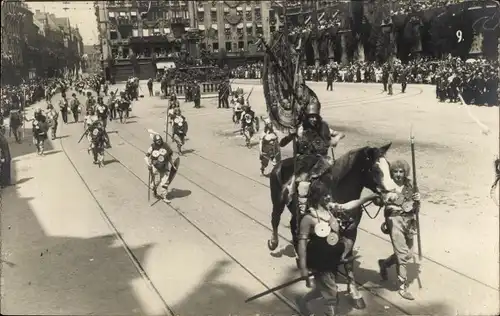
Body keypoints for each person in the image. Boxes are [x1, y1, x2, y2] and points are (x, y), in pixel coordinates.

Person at [296, 180, 380, 316]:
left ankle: (303, 301)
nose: (328, 197)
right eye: (325, 195)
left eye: (328, 194)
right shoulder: (308, 218)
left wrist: (367, 198)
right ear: (317, 197)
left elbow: (349, 206)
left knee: (322, 288)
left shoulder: (330, 208)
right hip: (319, 260)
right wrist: (303, 267)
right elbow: (302, 244)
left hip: (332, 258)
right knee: (332, 292)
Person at [280, 101, 345, 213]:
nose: (314, 120)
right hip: (304, 163)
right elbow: (282, 143)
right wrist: (292, 134)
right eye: (311, 117)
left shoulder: (323, 126)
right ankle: (302, 209)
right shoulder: (300, 129)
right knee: (303, 186)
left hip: (322, 162)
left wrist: (336, 138)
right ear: (307, 117)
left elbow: (340, 134)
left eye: (315, 117)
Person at [378, 159, 421, 300]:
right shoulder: (388, 186)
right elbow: (379, 201)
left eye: (401, 171)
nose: (398, 174)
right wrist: (386, 199)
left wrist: (417, 200)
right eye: (395, 171)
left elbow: (417, 208)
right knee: (402, 255)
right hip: (394, 220)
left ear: (405, 172)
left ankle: (384, 264)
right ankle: (403, 287)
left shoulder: (410, 186)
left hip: (409, 222)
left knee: (408, 253)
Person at [144, 135, 177, 203]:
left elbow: (169, 157)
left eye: (160, 140)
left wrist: (173, 165)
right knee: (156, 182)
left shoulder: (166, 146)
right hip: (155, 168)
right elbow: (146, 157)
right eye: (157, 140)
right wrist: (148, 164)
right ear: (155, 141)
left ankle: (164, 196)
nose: (159, 141)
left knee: (165, 183)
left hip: (165, 167)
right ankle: (154, 190)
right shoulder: (152, 147)